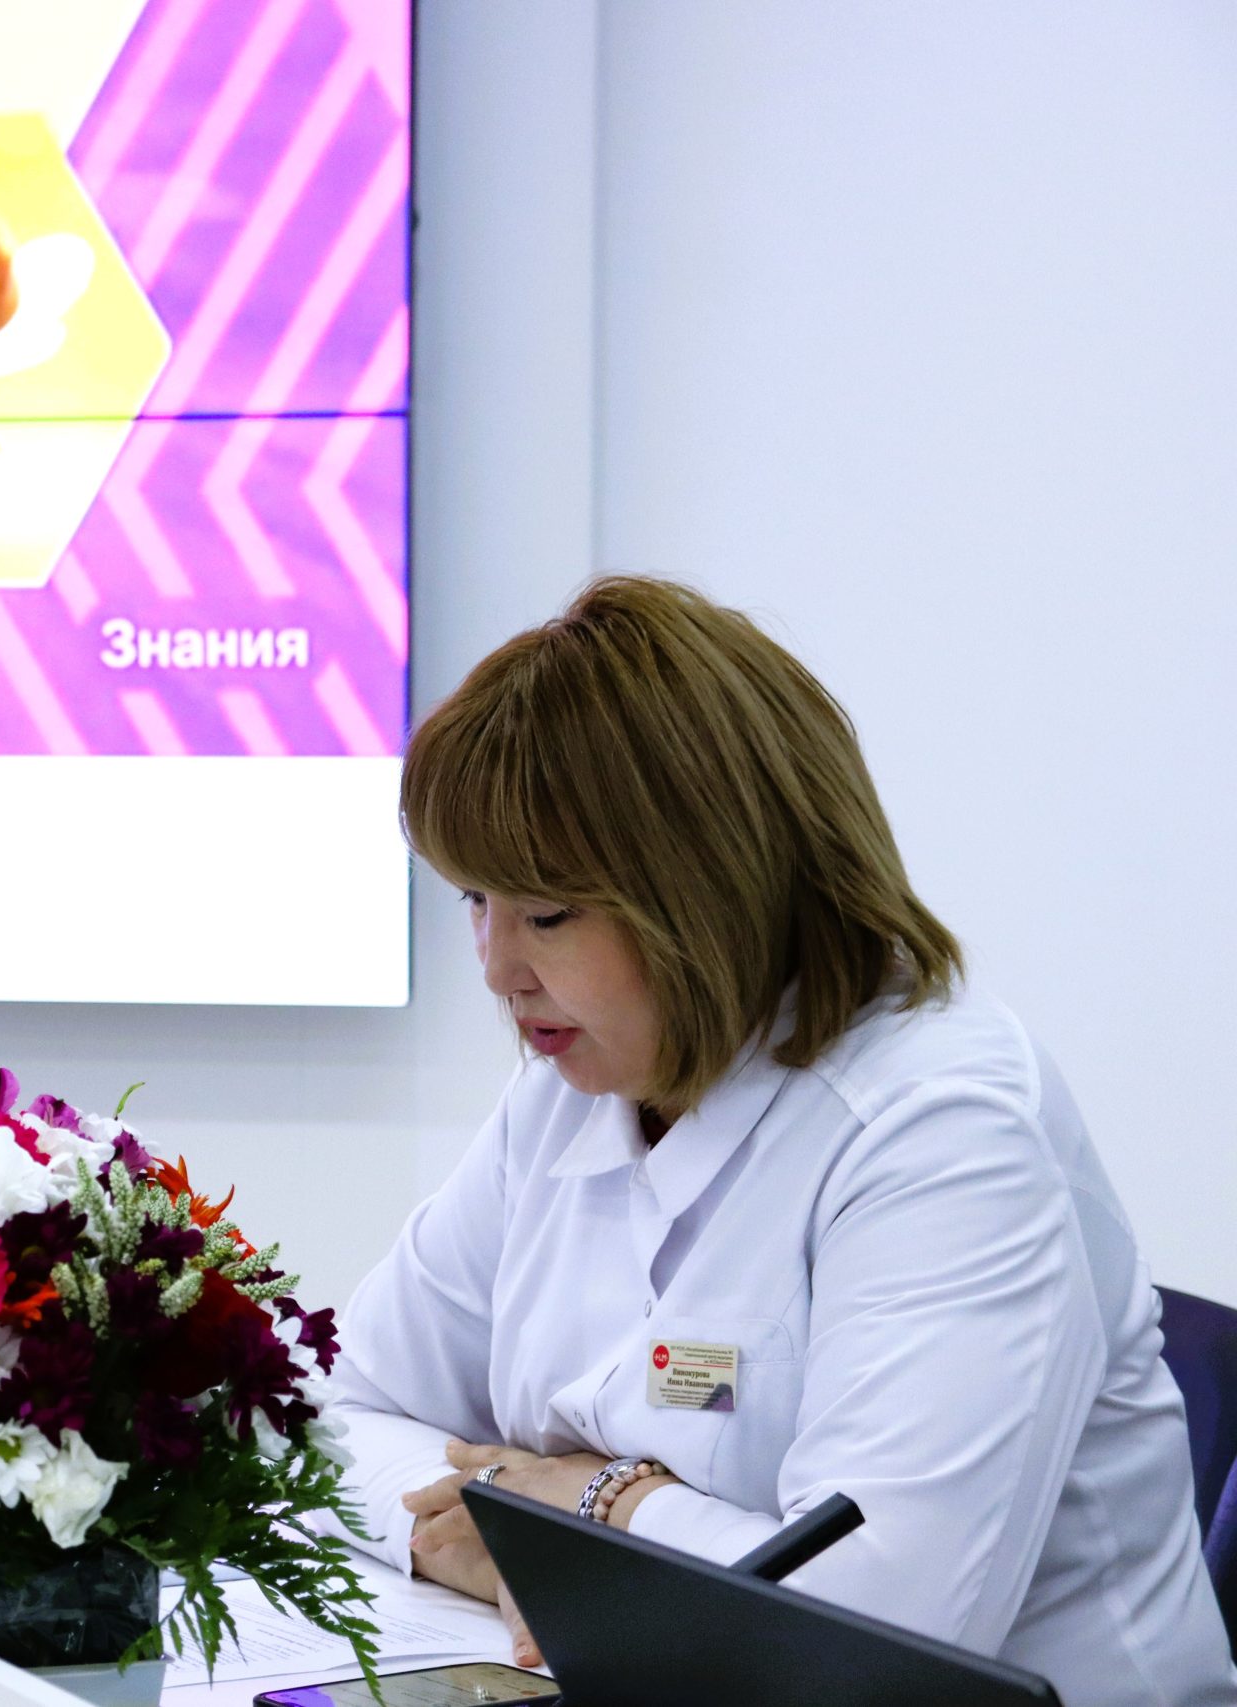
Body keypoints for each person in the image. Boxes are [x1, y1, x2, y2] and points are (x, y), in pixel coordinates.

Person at [334, 578, 1237, 1707]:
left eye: (547, 915)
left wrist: (595, 1506)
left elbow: (868, 1633)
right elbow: (334, 1412)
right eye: (475, 900)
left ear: (709, 887)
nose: (496, 967)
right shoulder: (567, 1088)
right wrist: (493, 1541)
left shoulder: (943, 1124)